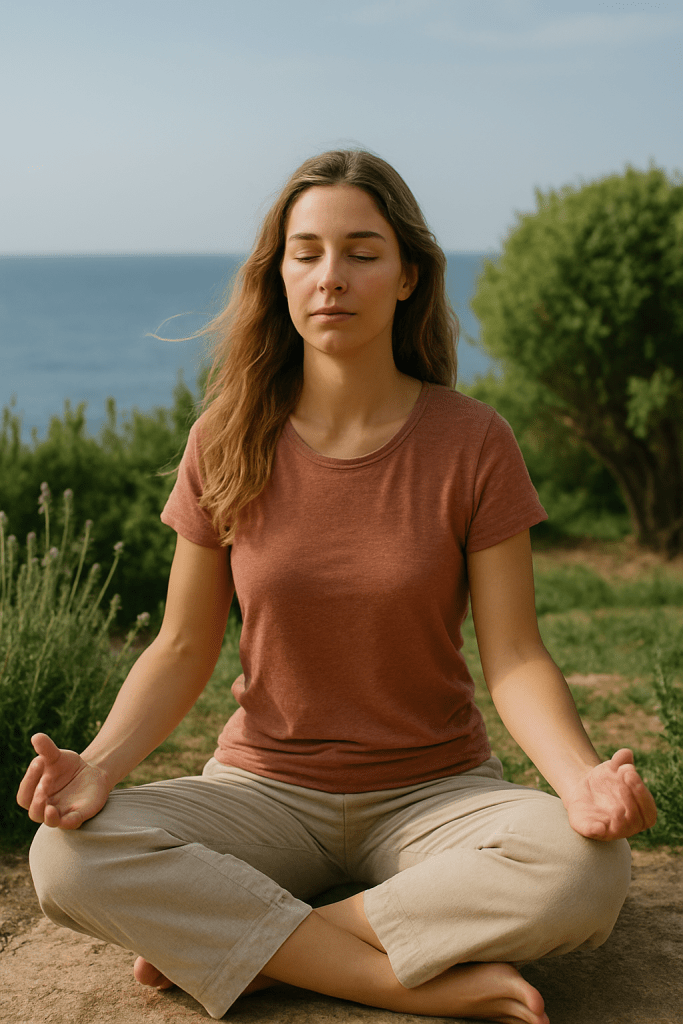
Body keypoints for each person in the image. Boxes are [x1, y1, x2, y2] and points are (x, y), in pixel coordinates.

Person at [18, 149, 656, 1024]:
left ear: (406, 277)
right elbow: (180, 645)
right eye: (306, 251)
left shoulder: (471, 441)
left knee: (586, 869)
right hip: (261, 791)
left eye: (362, 251)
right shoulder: (226, 438)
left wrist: (580, 780)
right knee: (66, 858)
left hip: (437, 790)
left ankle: (265, 950)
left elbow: (513, 656)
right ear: (276, 273)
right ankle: (377, 973)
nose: (331, 277)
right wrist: (98, 766)